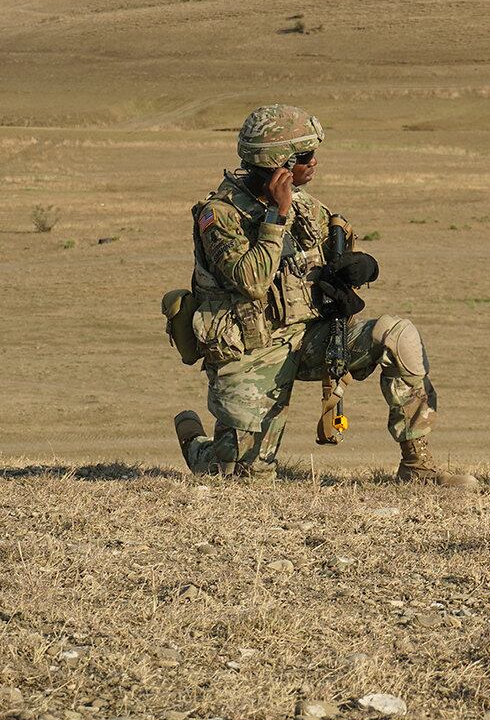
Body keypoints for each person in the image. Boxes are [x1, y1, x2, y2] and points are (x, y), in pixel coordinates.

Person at [171, 104, 442, 481]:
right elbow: (250, 280)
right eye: (304, 156)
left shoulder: (309, 209)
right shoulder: (219, 216)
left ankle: (418, 466)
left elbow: (335, 252)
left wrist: (357, 268)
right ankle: (197, 446)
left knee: (398, 335)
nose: (314, 162)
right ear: (276, 162)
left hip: (310, 339)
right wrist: (276, 217)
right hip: (252, 351)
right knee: (243, 475)